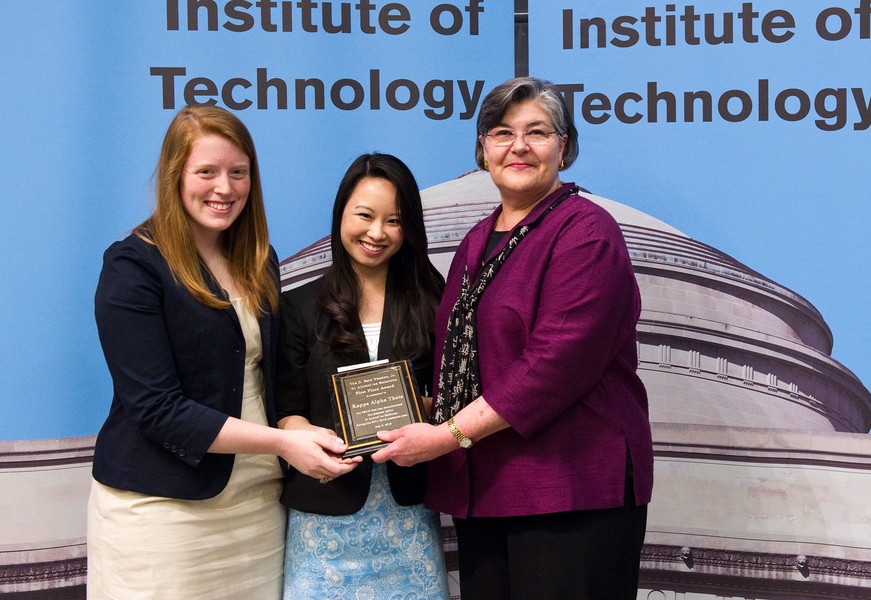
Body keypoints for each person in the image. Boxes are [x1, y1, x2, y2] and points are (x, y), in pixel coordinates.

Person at [372, 77, 654, 599]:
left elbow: (553, 364)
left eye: (538, 132)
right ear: (482, 149)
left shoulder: (586, 232)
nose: (518, 146)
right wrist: (422, 409)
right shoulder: (476, 240)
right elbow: (466, 356)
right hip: (488, 488)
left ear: (563, 148)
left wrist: (446, 435)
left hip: (569, 490)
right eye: (502, 133)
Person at [88, 105, 356, 599]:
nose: (224, 188)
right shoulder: (133, 267)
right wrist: (282, 444)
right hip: (164, 514)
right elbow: (157, 409)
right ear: (175, 175)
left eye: (238, 172)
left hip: (258, 507)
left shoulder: (259, 259)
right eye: (206, 172)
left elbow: (272, 376)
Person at [276, 153, 450, 599]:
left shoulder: (434, 300)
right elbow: (287, 411)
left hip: (407, 517)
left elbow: (450, 398)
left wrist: (421, 414)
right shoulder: (297, 307)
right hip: (324, 519)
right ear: (341, 216)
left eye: (393, 221)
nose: (376, 233)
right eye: (365, 216)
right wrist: (309, 446)